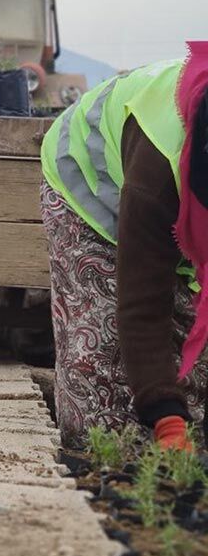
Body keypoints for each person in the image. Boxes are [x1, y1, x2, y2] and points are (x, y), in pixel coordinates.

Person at [41, 42, 208, 451]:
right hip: (89, 193)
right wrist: (166, 418)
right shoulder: (159, 169)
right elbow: (143, 302)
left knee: (196, 377)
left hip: (172, 199)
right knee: (102, 396)